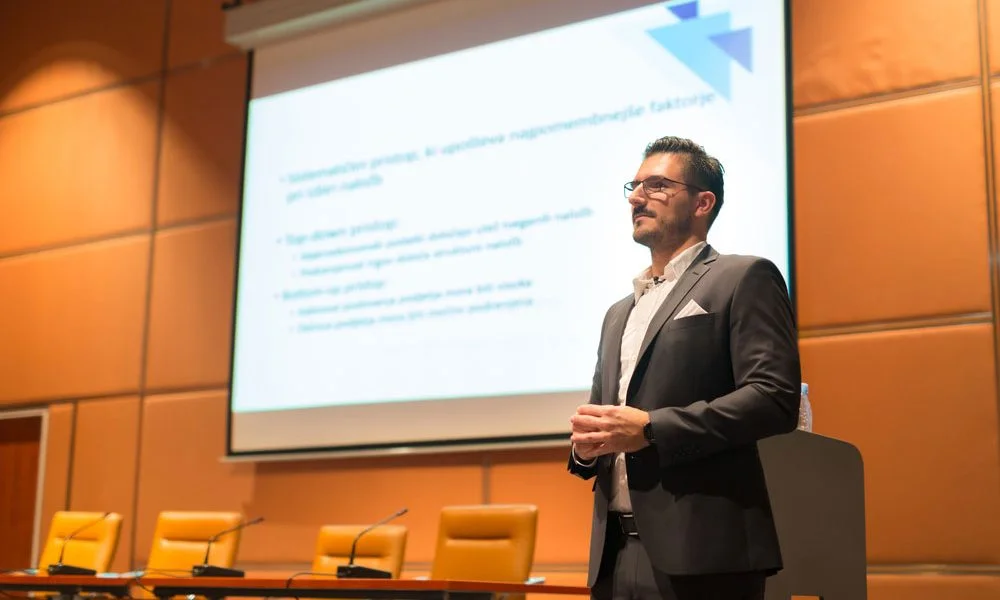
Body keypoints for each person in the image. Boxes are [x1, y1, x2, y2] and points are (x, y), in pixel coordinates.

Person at [567, 136, 801, 600]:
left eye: (656, 185)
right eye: (634, 186)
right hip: (613, 555)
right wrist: (586, 449)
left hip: (704, 554)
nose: (636, 198)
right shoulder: (618, 312)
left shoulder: (743, 277)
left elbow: (774, 398)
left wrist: (652, 429)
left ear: (702, 202)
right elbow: (605, 417)